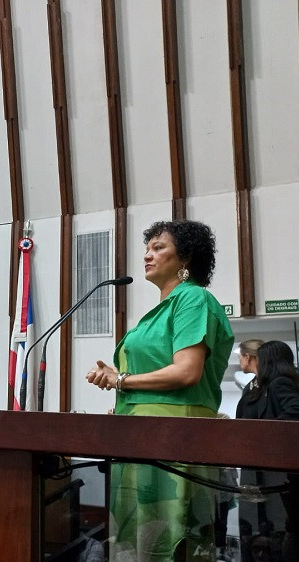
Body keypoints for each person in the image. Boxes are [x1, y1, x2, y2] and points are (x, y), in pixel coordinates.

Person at [85, 220, 235, 560]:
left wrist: (121, 381)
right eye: (147, 248)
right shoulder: (157, 313)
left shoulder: (194, 299)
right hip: (140, 436)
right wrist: (124, 394)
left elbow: (187, 372)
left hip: (174, 439)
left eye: (158, 248)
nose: (147, 256)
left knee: (170, 534)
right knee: (137, 538)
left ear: (184, 258)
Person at [237, 340, 299, 561]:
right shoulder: (285, 382)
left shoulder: (278, 383)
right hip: (286, 475)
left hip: (279, 475)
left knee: (283, 531)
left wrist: (265, 434)